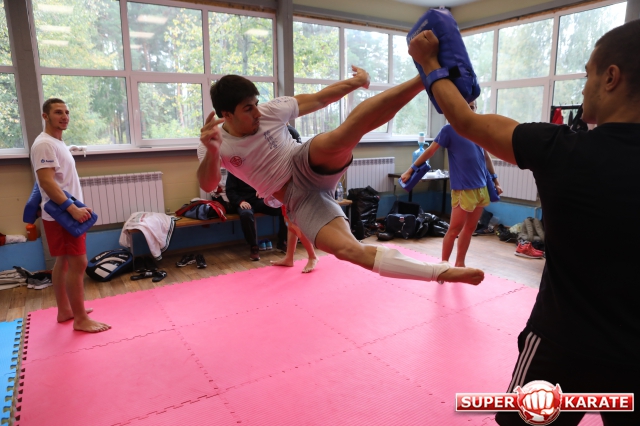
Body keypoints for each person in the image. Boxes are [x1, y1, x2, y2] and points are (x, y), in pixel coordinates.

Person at [409, 20, 640, 425]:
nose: (582, 88)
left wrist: (429, 62)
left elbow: (464, 121)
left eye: (587, 74)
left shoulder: (560, 149)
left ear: (611, 77)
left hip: (562, 344)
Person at [197, 65, 484, 286]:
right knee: (350, 250)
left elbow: (320, 98)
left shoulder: (270, 111)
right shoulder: (214, 143)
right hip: (298, 199)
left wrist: (357, 82)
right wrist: (212, 152)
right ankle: (440, 272)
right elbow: (208, 183)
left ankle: (425, 78)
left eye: (256, 104)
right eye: (248, 109)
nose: (257, 113)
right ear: (227, 114)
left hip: (304, 161)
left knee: (347, 133)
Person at [30, 98, 111, 333]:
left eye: (66, 112)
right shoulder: (44, 144)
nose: (64, 116)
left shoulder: (56, 142)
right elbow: (46, 182)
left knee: (64, 262)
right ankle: (80, 319)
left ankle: (65, 310)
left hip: (62, 213)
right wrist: (71, 209)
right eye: (58, 112)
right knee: (78, 262)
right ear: (45, 116)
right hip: (63, 216)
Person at [400, 100, 503, 267]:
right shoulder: (449, 130)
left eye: (472, 107)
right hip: (463, 189)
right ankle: (444, 264)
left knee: (470, 229)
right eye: (466, 106)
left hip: (482, 188)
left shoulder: (478, 130)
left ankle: (460, 263)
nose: (469, 110)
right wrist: (410, 170)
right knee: (454, 229)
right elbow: (430, 151)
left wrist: (495, 181)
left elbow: (485, 157)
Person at [225, 170, 288, 261]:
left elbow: (270, 183)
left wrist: (264, 191)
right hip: (244, 202)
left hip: (260, 200)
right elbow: (230, 191)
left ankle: (282, 242)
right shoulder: (233, 170)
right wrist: (240, 201)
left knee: (283, 209)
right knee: (246, 215)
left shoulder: (260, 167)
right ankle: (254, 246)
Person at [271, 207, 318, 273]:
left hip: (296, 201)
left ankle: (312, 256)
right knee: (289, 222)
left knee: (295, 224)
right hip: (285, 201)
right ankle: (289, 257)